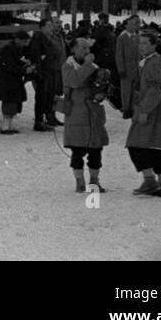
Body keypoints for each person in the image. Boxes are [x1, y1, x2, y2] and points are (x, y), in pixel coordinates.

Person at [126, 29, 161, 198]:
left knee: (136, 145)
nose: (141, 46)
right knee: (156, 148)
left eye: (146, 43)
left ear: (154, 45)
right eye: (140, 43)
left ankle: (150, 181)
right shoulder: (150, 62)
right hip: (155, 109)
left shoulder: (152, 64)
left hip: (151, 110)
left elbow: (155, 90)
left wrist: (145, 110)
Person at [62, 38, 110, 193]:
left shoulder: (94, 66)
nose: (87, 51)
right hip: (77, 113)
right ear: (73, 49)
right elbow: (75, 82)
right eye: (83, 48)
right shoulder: (67, 66)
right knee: (77, 151)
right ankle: (80, 181)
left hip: (93, 113)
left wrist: (102, 92)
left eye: (88, 48)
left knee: (96, 151)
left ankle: (94, 181)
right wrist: (89, 65)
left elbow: (102, 85)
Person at [28, 16, 65, 131]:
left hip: (55, 70)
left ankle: (49, 117)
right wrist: (38, 69)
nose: (51, 27)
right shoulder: (39, 38)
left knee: (51, 96)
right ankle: (39, 121)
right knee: (41, 97)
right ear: (42, 27)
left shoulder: (54, 37)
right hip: (44, 72)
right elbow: (36, 55)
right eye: (49, 25)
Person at [0, 28, 32, 134]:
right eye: (24, 41)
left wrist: (24, 64)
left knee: (13, 103)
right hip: (8, 80)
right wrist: (24, 70)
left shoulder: (15, 48)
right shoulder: (9, 49)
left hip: (13, 80)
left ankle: (8, 126)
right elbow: (10, 66)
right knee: (9, 103)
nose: (25, 44)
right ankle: (5, 127)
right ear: (18, 40)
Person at [114, 14, 141, 119]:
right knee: (126, 89)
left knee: (135, 89)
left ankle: (133, 108)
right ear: (127, 24)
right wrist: (121, 69)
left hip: (136, 68)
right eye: (135, 23)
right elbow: (119, 55)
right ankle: (126, 109)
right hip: (126, 68)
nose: (137, 25)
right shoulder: (122, 37)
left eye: (138, 23)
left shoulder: (138, 37)